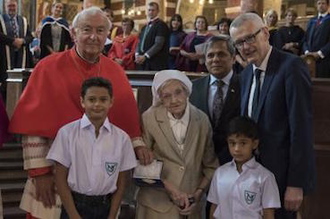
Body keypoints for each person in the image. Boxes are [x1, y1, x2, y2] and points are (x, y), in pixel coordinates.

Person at [9, 7, 152, 219]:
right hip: (54, 174)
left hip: (99, 184)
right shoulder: (47, 67)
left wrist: (138, 144)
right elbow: (33, 124)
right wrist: (39, 173)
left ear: (107, 36)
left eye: (100, 31)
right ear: (74, 33)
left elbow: (126, 120)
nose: (94, 36)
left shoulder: (116, 72)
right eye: (87, 29)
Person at [230, 13, 315, 219]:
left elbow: (301, 129)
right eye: (239, 43)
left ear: (265, 33)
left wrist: (296, 183)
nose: (245, 47)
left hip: (282, 177)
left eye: (249, 38)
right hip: (252, 177)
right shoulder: (247, 74)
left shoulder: (291, 67)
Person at [47, 77, 137, 219]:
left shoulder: (122, 138)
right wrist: (74, 216)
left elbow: (121, 182)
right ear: (82, 101)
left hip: (106, 207)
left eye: (103, 99)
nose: (97, 105)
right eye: (92, 99)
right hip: (74, 205)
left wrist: (112, 215)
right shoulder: (67, 133)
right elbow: (60, 178)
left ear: (111, 102)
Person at [136, 70, 218, 219]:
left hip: (190, 206)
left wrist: (198, 194)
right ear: (160, 98)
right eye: (166, 96)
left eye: (178, 92)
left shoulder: (202, 120)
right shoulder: (149, 118)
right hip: (156, 205)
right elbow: (142, 164)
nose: (174, 100)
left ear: (187, 92)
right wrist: (170, 188)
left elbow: (211, 165)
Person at [207, 116, 281, 219]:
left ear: (254, 144)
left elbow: (268, 214)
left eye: (243, 143)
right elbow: (214, 207)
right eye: (232, 143)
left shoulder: (265, 177)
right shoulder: (220, 173)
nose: (237, 149)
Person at [190, 35, 240, 164]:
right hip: (200, 162)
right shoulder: (194, 87)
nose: (215, 59)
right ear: (205, 60)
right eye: (210, 55)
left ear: (233, 58)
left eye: (221, 54)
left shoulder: (245, 84)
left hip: (235, 162)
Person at [135, 2, 169, 70]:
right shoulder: (144, 27)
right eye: (149, 10)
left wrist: (145, 56)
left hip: (155, 63)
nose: (150, 12)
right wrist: (137, 54)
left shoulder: (161, 25)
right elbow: (139, 42)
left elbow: (158, 44)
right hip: (142, 62)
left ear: (158, 11)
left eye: (153, 10)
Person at [0, 0, 33, 70]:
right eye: (9, 6)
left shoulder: (23, 20)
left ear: (17, 6)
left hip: (21, 53)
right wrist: (13, 41)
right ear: (5, 7)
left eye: (13, 6)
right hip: (4, 55)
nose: (11, 8)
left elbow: (30, 36)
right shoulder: (1, 20)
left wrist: (22, 41)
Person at [302, 0, 330, 78]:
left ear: (328, 5)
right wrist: (307, 52)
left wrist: (319, 53)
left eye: (323, 3)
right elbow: (305, 39)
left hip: (324, 60)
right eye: (319, 3)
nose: (321, 5)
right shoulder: (312, 20)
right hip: (309, 59)